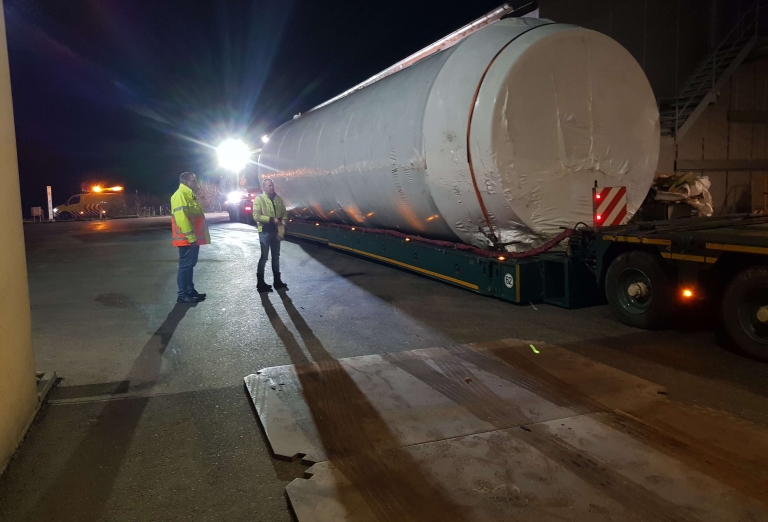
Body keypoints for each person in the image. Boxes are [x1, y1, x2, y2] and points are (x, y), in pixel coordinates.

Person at [171, 172, 210, 303]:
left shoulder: (189, 195)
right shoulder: (180, 195)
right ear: (186, 182)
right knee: (185, 266)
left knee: (190, 265)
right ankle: (182, 294)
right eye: (193, 180)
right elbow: (181, 218)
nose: (196, 183)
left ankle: (189, 290)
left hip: (192, 238)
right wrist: (191, 237)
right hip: (186, 239)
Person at [253, 178, 288, 293]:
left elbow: (284, 212)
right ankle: (260, 283)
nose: (271, 187)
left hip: (276, 231)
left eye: (272, 185)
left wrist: (283, 221)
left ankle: (277, 281)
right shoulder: (259, 199)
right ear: (264, 187)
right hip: (264, 231)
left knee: (276, 257)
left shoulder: (278, 199)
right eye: (269, 186)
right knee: (264, 257)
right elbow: (256, 216)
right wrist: (271, 219)